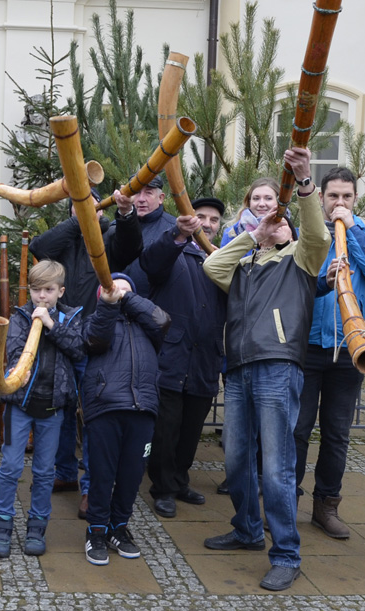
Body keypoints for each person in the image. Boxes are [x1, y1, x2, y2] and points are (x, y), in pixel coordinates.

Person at [201, 147, 329, 592]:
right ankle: (248, 529)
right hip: (237, 370)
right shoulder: (243, 264)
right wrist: (253, 235)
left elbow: (318, 236)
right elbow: (210, 263)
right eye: (263, 216)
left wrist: (306, 185)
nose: (273, 224)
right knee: (236, 461)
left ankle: (286, 553)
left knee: (276, 468)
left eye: (280, 221)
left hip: (277, 367)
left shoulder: (300, 260)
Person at [30, 190, 142, 513]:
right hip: (60, 334)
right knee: (61, 408)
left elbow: (132, 247)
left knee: (93, 416)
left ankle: (91, 487)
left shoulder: (109, 236)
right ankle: (64, 471)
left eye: (90, 204)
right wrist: (78, 220)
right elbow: (39, 248)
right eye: (78, 205)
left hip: (96, 337)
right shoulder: (64, 238)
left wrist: (118, 216)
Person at [295, 168, 365, 539]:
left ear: (354, 199)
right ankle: (288, 501)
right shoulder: (311, 233)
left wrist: (352, 228)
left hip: (350, 351)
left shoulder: (362, 233)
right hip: (308, 348)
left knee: (336, 434)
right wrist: (325, 278)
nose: (338, 202)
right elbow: (297, 282)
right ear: (321, 197)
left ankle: (326, 506)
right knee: (297, 430)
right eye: (332, 196)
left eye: (346, 197)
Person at [0, 260, 84, 559]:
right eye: (36, 290)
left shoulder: (70, 318)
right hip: (21, 405)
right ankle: (2, 524)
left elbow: (78, 348)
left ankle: (37, 525)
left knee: (44, 472)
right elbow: (15, 349)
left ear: (60, 291)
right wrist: (19, 368)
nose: (41, 296)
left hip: (53, 408)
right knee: (10, 467)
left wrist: (52, 325)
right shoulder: (19, 316)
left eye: (48, 290)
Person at [139, 199, 226, 519]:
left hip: (205, 358)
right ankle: (161, 487)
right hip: (173, 355)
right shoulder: (174, 249)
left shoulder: (222, 258)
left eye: (213, 219)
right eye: (200, 216)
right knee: (166, 427)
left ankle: (180, 480)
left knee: (191, 428)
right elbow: (152, 264)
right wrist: (177, 235)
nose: (206, 222)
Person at [81, 272, 170, 566]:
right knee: (103, 475)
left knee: (131, 475)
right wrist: (109, 305)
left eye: (126, 289)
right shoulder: (95, 320)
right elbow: (96, 340)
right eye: (112, 288)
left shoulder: (148, 326)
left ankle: (118, 527)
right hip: (106, 408)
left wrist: (127, 297)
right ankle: (96, 530)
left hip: (143, 408)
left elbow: (162, 320)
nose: (119, 292)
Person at [220, 177, 280, 247]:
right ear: (249, 202)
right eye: (256, 198)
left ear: (279, 202)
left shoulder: (291, 234)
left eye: (268, 198)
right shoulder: (231, 233)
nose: (261, 204)